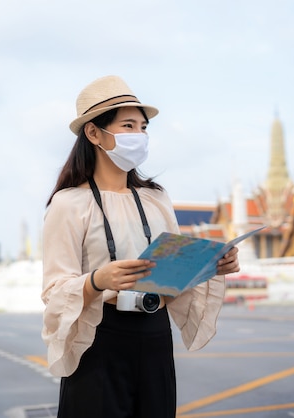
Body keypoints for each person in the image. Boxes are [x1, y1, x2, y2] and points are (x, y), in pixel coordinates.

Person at [41, 75, 239, 417]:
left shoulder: (157, 199)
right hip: (99, 338)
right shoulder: (69, 203)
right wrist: (97, 280)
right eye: (128, 126)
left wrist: (211, 265)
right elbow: (54, 292)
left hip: (155, 334)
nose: (140, 136)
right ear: (93, 133)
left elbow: (174, 276)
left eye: (143, 128)